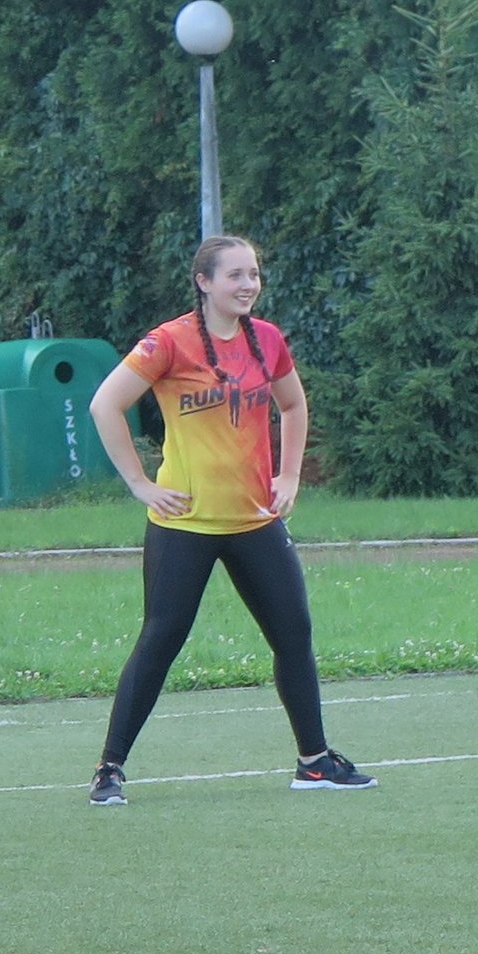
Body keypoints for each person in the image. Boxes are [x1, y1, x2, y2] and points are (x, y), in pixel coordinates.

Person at [85, 235, 375, 805]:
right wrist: (141, 483)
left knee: (293, 634)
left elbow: (293, 404)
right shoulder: (168, 342)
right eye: (235, 275)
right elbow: (104, 404)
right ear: (204, 281)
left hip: (254, 521)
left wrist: (289, 476)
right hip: (185, 524)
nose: (247, 285)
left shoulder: (267, 339)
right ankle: (109, 768)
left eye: (254, 274)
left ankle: (314, 763)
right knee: (161, 639)